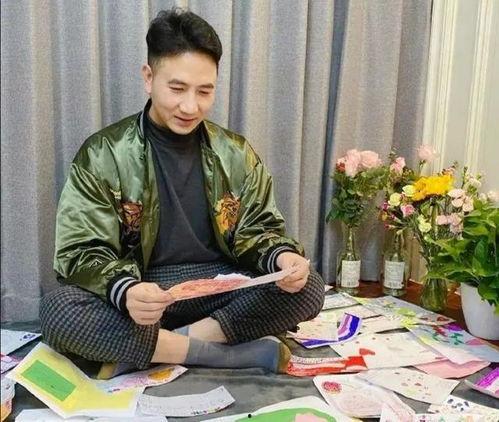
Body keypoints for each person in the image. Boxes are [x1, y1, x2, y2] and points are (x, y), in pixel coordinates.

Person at [40, 7, 324, 377]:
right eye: (177, 89)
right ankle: (222, 353)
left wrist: (283, 259)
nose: (191, 106)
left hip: (221, 287)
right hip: (147, 292)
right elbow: (82, 252)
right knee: (59, 310)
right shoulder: (103, 153)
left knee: (309, 286)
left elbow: (259, 231)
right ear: (149, 77)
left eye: (204, 91)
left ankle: (162, 347)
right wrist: (126, 291)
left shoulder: (236, 153)